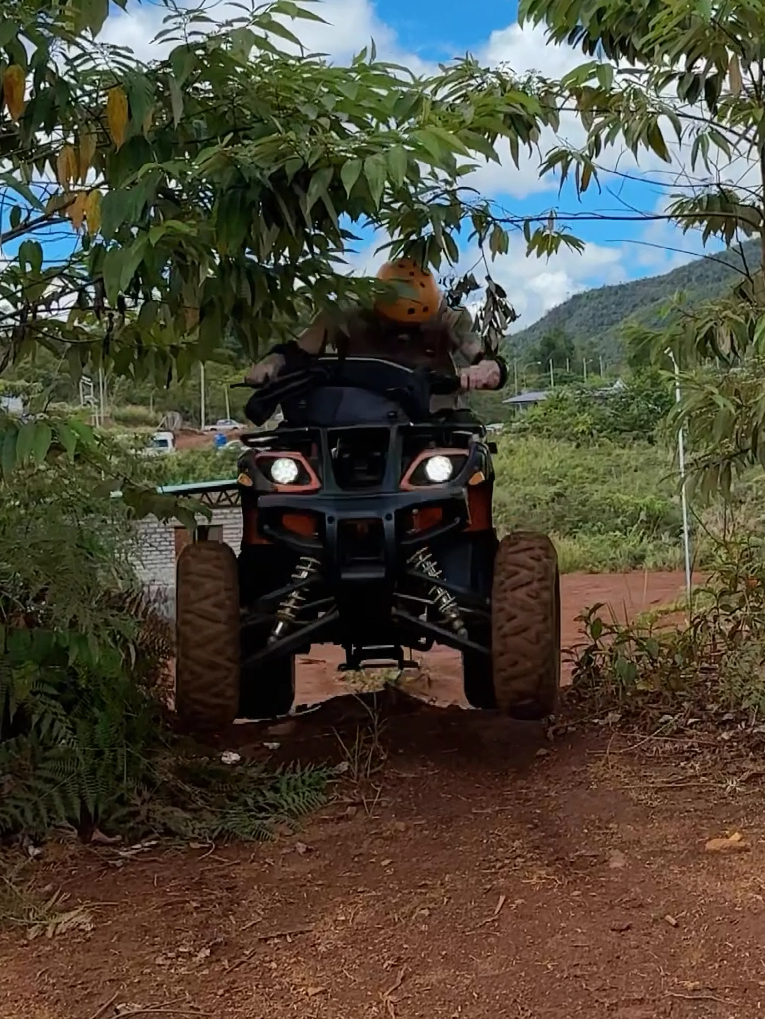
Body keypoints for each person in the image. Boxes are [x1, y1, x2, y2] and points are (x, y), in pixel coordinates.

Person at [245, 258, 507, 415]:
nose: (403, 333)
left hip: (430, 423)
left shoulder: (450, 319)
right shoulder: (344, 312)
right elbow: (298, 351)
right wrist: (272, 363)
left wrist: (487, 368)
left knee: (470, 462)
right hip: (350, 419)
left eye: (414, 326)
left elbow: (479, 352)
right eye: (395, 324)